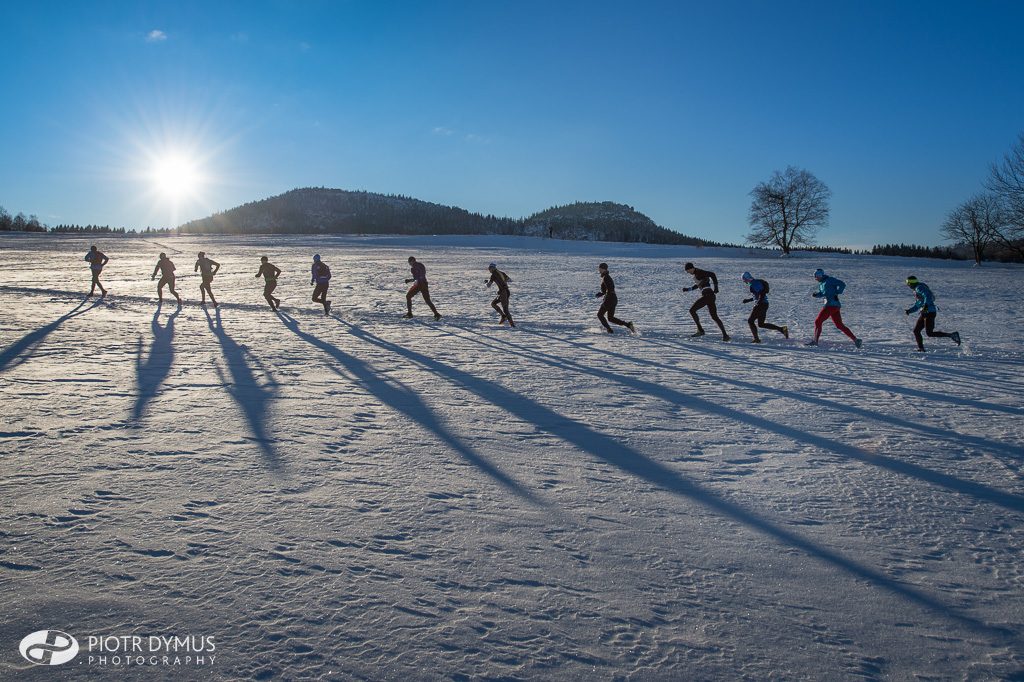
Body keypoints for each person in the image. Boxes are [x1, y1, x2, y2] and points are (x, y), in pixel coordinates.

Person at [904, 275, 961, 351]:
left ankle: (951, 335)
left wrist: (926, 305)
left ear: (910, 283)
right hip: (924, 313)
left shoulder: (919, 287)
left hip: (929, 312)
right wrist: (910, 310)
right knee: (916, 331)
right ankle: (921, 349)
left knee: (929, 333)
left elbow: (928, 295)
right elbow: (919, 303)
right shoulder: (917, 289)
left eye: (908, 283)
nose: (907, 285)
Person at [808, 268, 861, 347]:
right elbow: (823, 293)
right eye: (815, 276)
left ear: (822, 275)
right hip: (834, 306)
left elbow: (842, 284)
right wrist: (816, 295)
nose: (817, 277)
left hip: (831, 305)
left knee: (818, 321)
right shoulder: (821, 284)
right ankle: (856, 340)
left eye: (818, 275)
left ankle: (815, 341)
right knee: (839, 325)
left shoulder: (830, 280)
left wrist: (838, 291)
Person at [683, 262, 729, 341]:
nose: (688, 272)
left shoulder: (699, 272)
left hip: (707, 295)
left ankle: (701, 331)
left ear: (691, 268)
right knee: (714, 317)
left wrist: (716, 287)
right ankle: (725, 336)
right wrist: (689, 289)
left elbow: (712, 274)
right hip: (710, 296)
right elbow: (698, 285)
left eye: (688, 271)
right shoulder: (696, 274)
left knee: (692, 310)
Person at [741, 271, 788, 343]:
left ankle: (756, 339)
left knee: (750, 321)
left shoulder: (754, 284)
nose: (744, 281)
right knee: (761, 324)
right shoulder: (754, 283)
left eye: (744, 280)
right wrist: (748, 300)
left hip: (761, 304)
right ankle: (782, 329)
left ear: (746, 278)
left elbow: (762, 293)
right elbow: (757, 295)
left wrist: (759, 302)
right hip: (764, 304)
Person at [595, 262, 636, 334]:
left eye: (600, 268)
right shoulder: (606, 277)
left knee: (600, 314)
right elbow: (609, 289)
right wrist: (602, 293)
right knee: (610, 318)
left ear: (603, 269)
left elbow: (610, 288)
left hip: (609, 299)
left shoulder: (606, 277)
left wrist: (606, 297)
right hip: (613, 299)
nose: (599, 270)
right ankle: (628, 325)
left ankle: (609, 330)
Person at [485, 263, 515, 327]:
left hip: (503, 293)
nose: (489, 269)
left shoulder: (493, 275)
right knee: (493, 303)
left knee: (505, 309)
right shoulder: (502, 273)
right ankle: (503, 316)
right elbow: (510, 280)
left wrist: (486, 282)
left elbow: (488, 285)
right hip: (506, 292)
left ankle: (512, 325)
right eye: (489, 268)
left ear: (493, 268)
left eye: (490, 268)